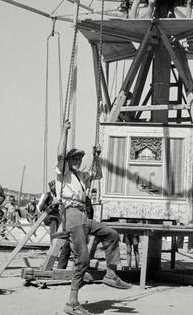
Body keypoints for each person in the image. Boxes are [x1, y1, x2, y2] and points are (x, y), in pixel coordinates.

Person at [57, 121, 131, 315]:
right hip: (71, 214)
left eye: (80, 158)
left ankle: (111, 274)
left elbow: (98, 173)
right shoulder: (63, 174)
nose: (78, 161)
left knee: (111, 234)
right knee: (83, 258)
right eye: (74, 158)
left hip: (83, 214)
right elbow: (59, 154)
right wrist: (64, 131)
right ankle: (72, 302)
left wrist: (97, 156)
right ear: (68, 160)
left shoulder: (82, 176)